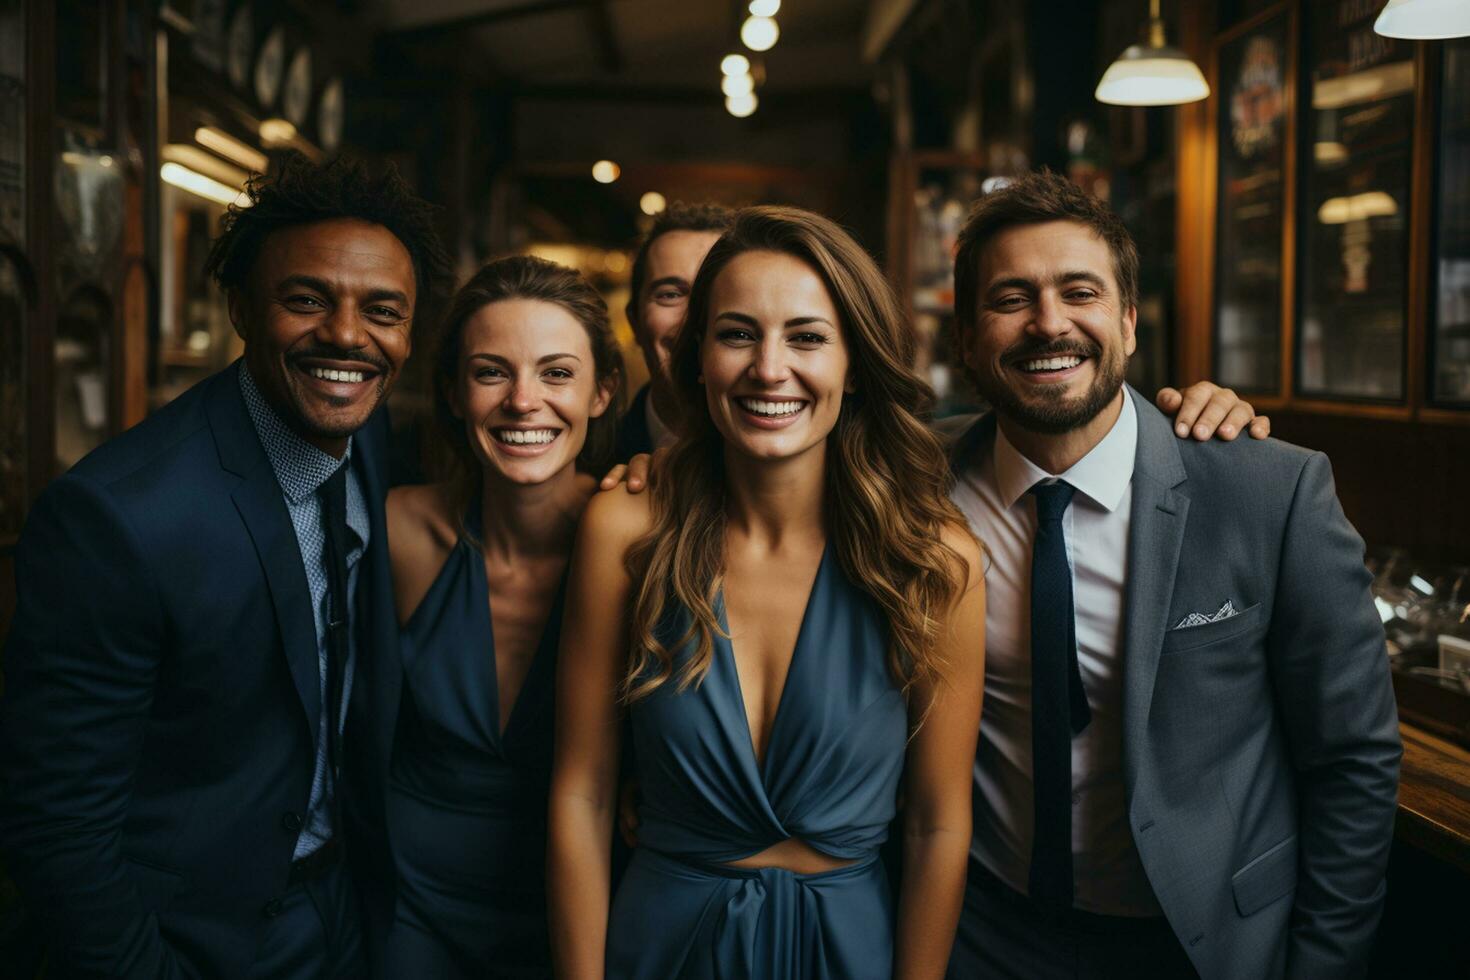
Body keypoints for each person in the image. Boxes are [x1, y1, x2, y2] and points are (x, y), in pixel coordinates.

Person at [940, 170, 1401, 979]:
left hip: (1199, 943)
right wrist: (643, 475)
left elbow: (1353, 760)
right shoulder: (910, 480)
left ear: (1127, 321)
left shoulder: (1268, 489)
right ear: (967, 337)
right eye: (1011, 298)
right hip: (983, 933)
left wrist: (1325, 966)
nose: (1049, 324)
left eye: (1078, 292)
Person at [0, 154, 451, 980]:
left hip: (344, 911)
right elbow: (55, 825)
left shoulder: (366, 436)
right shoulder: (118, 517)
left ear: (410, 332)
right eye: (307, 299)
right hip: (189, 939)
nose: (348, 335)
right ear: (242, 307)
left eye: (381, 310)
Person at [550, 205, 986, 979]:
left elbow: (938, 825)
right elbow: (582, 795)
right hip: (660, 948)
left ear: (855, 363)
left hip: (849, 951)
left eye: (808, 337)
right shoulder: (623, 528)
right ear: (699, 359)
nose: (768, 368)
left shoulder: (933, 558)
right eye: (737, 333)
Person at [380, 255, 620, 978]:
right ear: (453, 393)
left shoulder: (642, 543)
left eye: (556, 373)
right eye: (491, 372)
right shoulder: (398, 532)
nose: (523, 401)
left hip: (578, 913)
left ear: (602, 392)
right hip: (407, 913)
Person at [616, 202, 733, 460]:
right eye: (670, 295)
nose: (694, 318)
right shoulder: (589, 469)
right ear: (634, 322)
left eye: (714, 292)